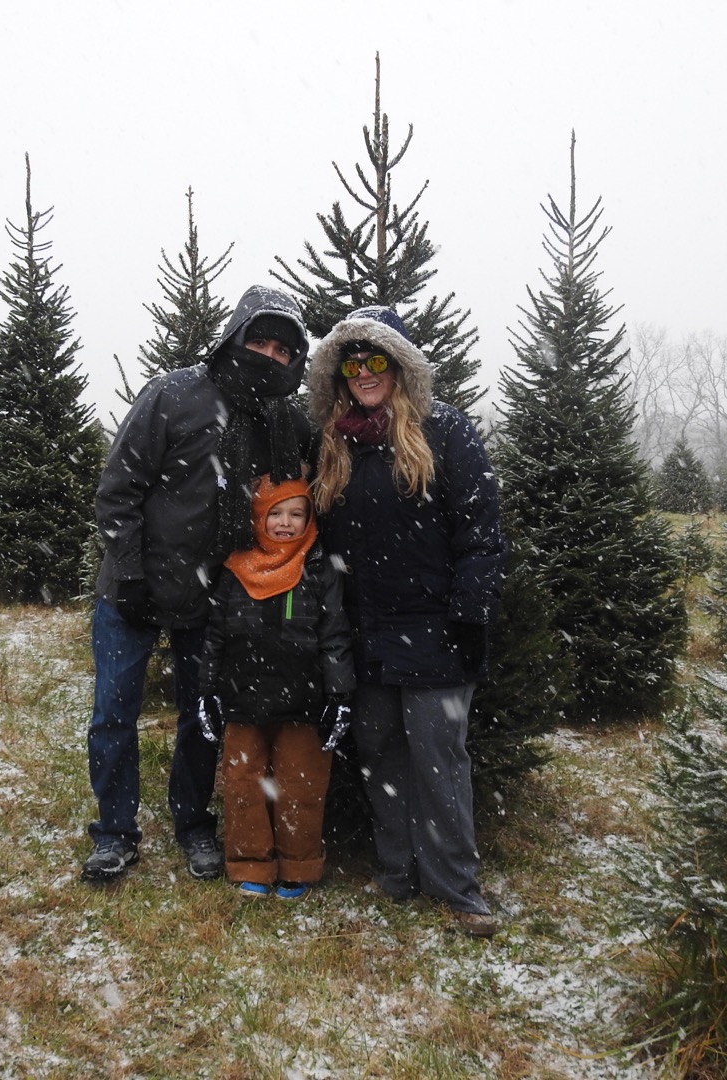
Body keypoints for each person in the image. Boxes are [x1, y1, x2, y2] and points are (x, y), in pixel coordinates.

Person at [81, 285, 312, 883]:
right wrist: (130, 573)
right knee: (114, 710)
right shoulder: (173, 394)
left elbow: (309, 487)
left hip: (212, 596)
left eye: (284, 350)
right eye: (260, 341)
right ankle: (114, 832)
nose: (270, 356)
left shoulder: (282, 419)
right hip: (131, 589)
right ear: (235, 336)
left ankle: (193, 824)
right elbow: (118, 490)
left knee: (201, 714)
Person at [306, 305, 507, 937]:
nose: (364, 373)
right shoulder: (335, 443)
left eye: (377, 361)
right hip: (365, 635)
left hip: (434, 633)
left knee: (438, 759)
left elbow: (480, 531)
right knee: (380, 754)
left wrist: (470, 614)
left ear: (400, 366)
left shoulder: (444, 431)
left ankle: (457, 888)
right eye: (353, 364)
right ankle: (398, 871)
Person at [198, 475, 354, 899]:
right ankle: (250, 862)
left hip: (304, 699)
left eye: (296, 514)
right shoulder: (235, 568)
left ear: (309, 519)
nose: (286, 523)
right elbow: (215, 636)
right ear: (257, 517)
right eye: (276, 514)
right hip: (242, 696)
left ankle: (298, 865)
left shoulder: (318, 569)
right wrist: (207, 690)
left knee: (301, 785)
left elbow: (334, 636)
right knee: (243, 783)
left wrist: (339, 696)